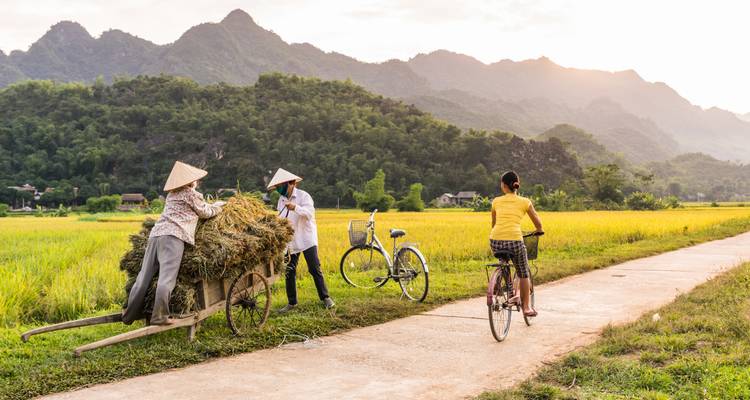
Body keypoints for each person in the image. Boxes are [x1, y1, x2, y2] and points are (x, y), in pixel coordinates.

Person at [122, 161, 225, 325]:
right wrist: (218, 206)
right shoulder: (191, 194)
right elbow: (205, 212)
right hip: (173, 237)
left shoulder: (172, 195)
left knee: (143, 277)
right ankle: (159, 316)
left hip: (155, 235)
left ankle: (128, 314)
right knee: (167, 278)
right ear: (191, 181)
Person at [267, 168, 335, 312]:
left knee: (314, 268)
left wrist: (295, 207)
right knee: (289, 271)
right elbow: (281, 219)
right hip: (291, 241)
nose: (279, 190)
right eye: (277, 187)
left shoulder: (304, 196)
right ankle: (292, 303)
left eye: (281, 186)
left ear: (291, 183)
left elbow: (309, 214)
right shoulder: (281, 200)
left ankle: (326, 298)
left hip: (306, 239)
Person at [490, 170, 544, 317]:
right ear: (516, 185)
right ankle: (526, 307)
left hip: (495, 240)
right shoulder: (525, 202)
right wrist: (539, 230)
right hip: (515, 240)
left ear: (503, 185)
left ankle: (504, 282)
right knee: (523, 271)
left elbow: (494, 224)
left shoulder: (495, 201)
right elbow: (538, 223)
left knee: (504, 260)